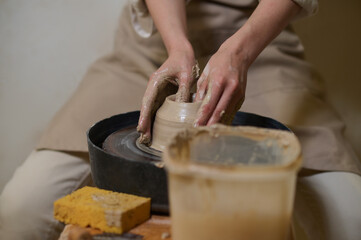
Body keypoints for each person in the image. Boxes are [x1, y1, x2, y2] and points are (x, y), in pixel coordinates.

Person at [1, 0, 361, 239]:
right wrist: (177, 46)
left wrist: (238, 52)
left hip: (259, 47)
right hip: (155, 46)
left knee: (349, 213)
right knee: (23, 206)